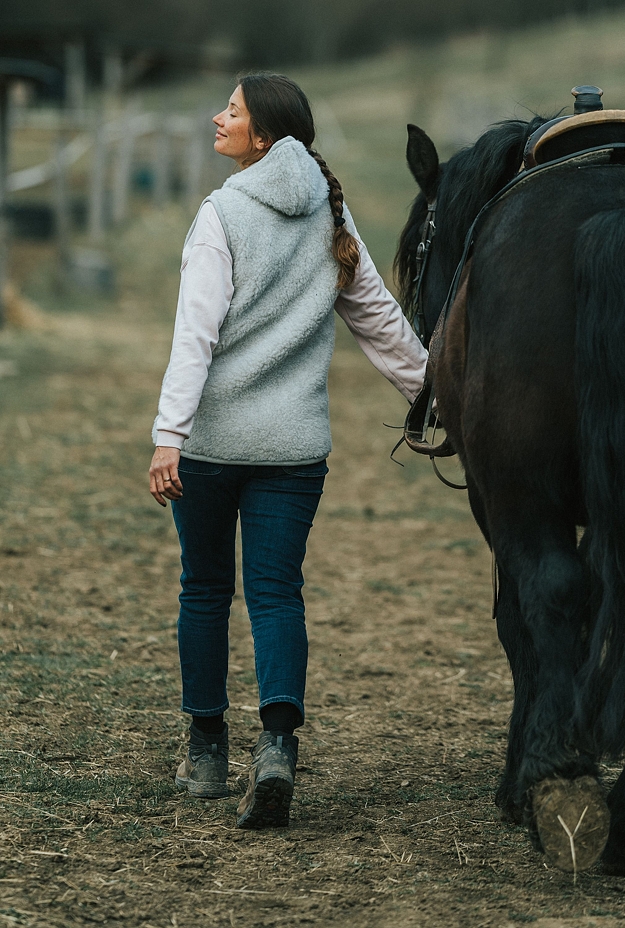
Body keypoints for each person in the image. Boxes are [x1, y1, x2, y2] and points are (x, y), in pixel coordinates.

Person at [148, 72, 427, 829]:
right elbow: (380, 322)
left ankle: (207, 749)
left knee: (204, 588)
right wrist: (438, 398)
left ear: (263, 136)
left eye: (231, 112)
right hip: (294, 452)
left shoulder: (222, 214)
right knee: (277, 594)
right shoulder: (330, 213)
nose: (218, 117)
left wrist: (168, 434)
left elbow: (194, 336)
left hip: (210, 447)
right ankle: (278, 748)